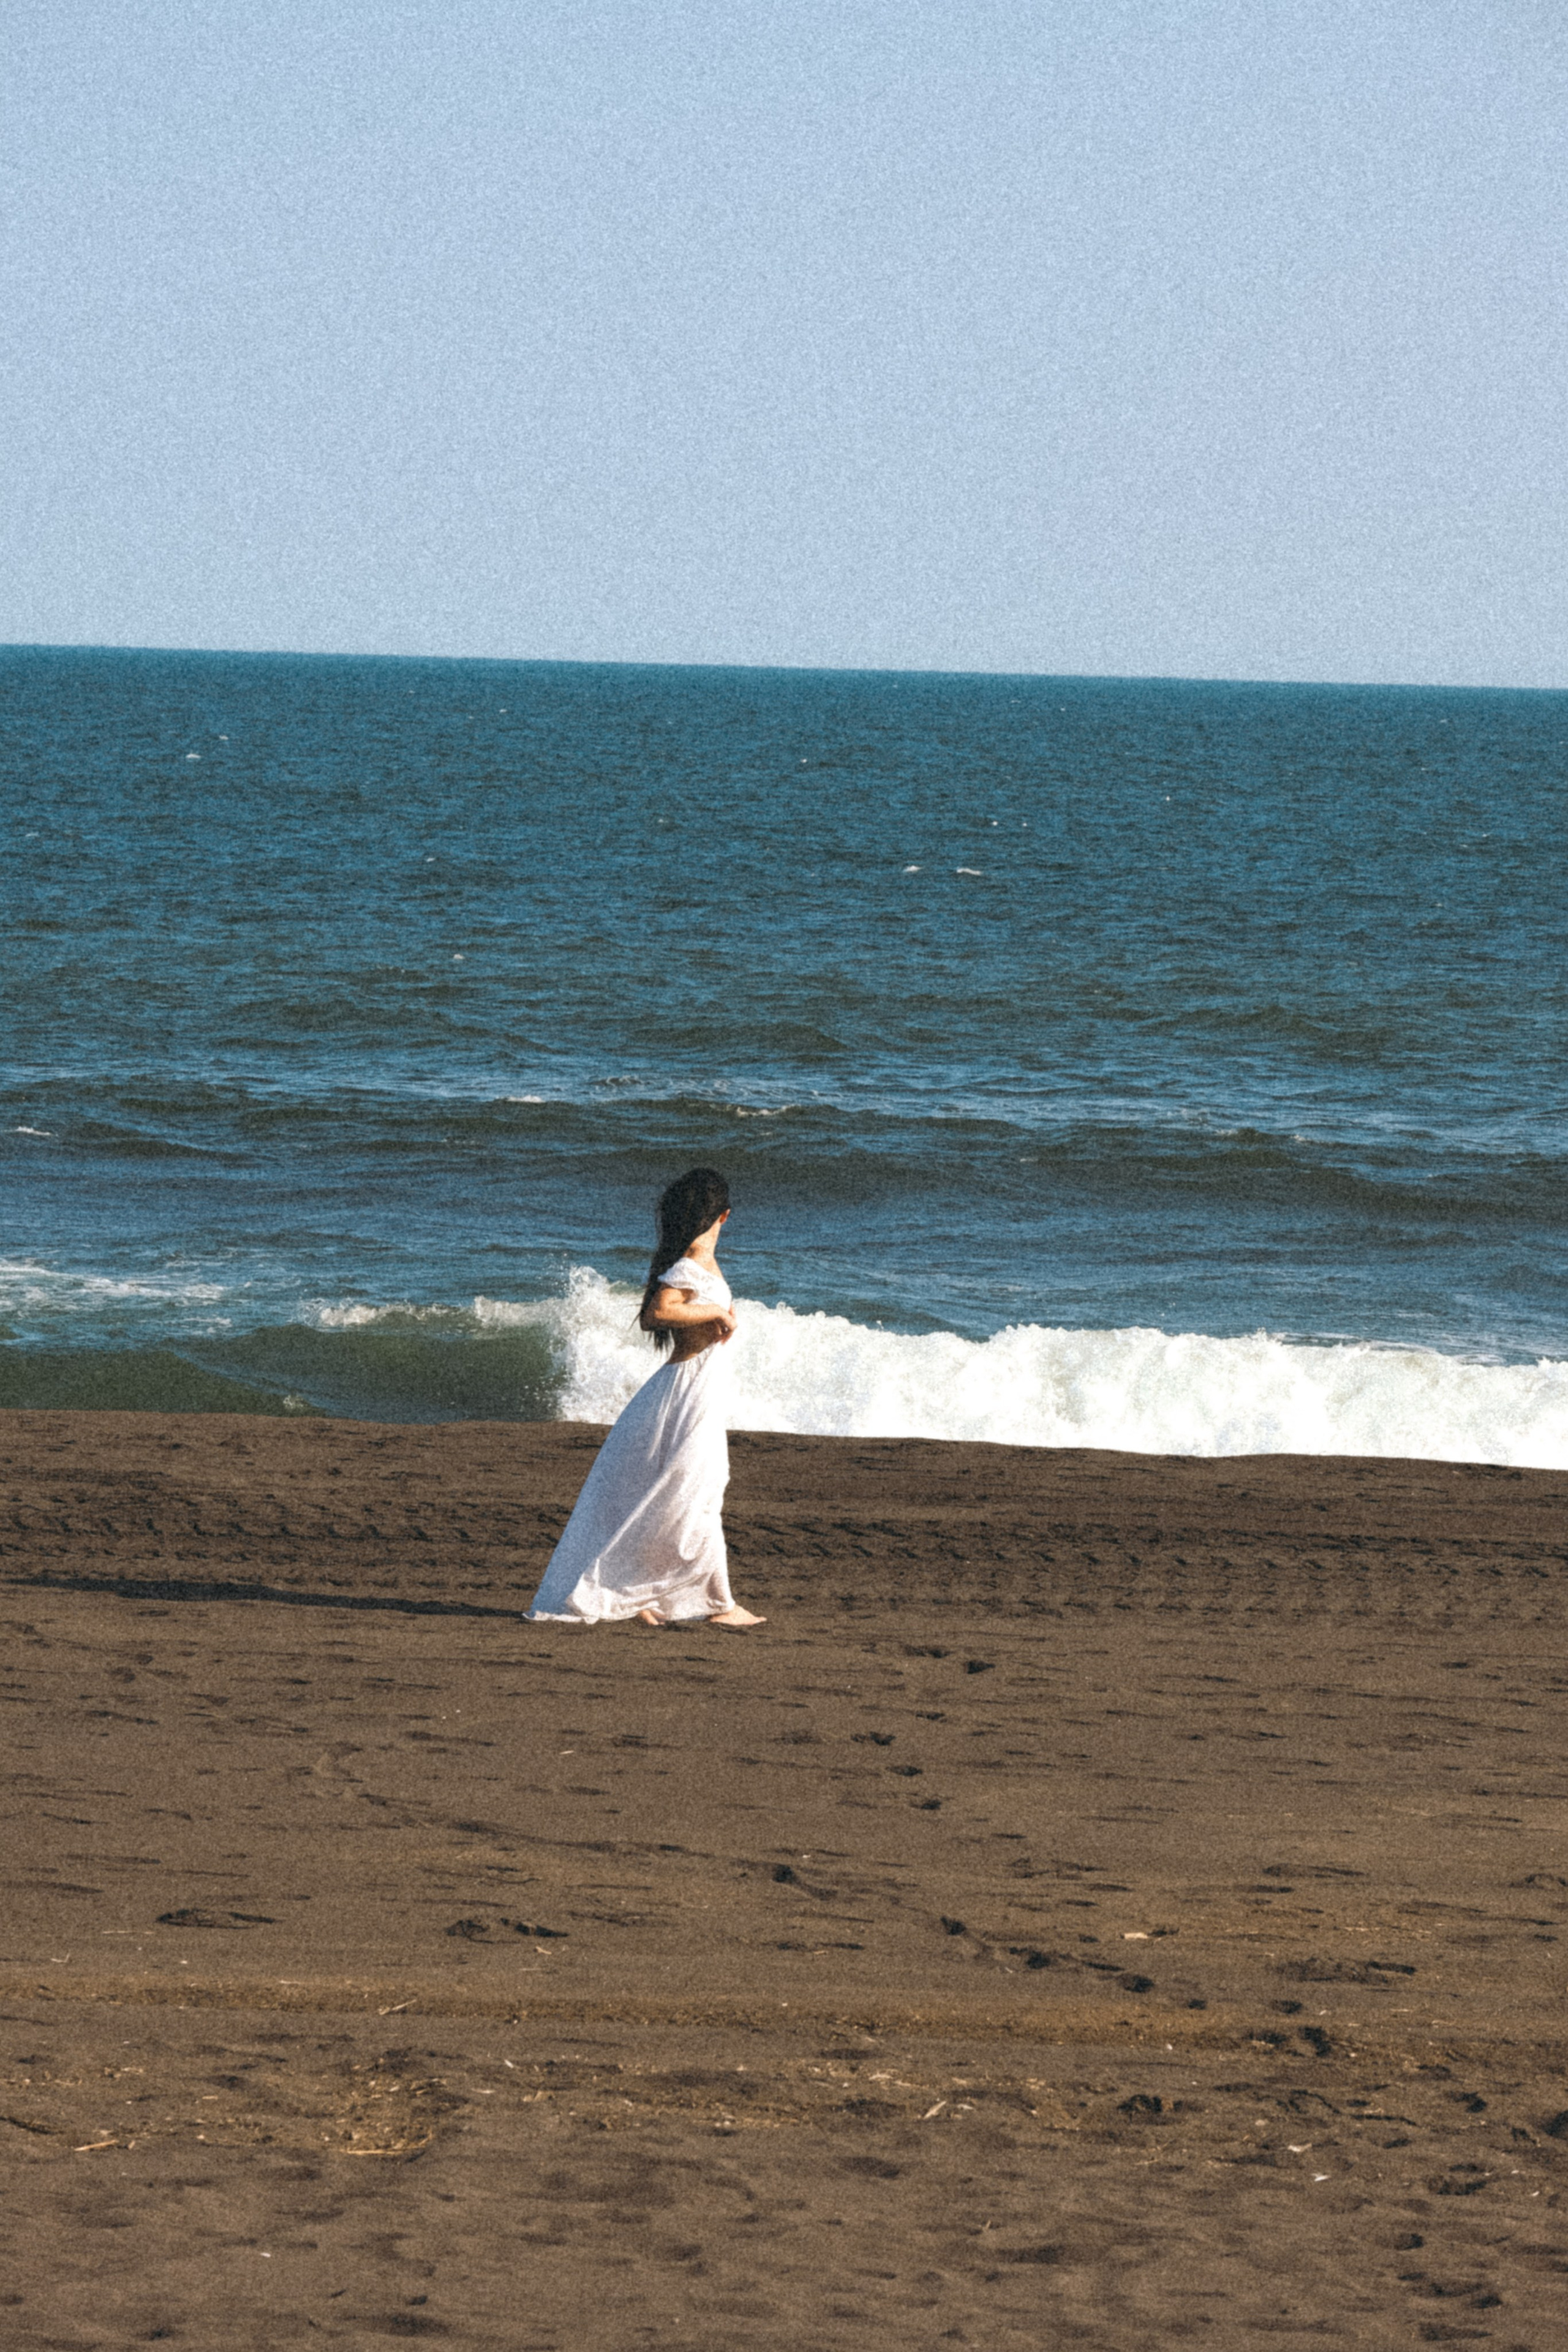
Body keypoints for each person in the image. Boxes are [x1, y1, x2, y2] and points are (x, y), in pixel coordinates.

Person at [525, 1167, 766, 1628]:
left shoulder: (700, 1264)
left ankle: (635, 1596)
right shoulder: (689, 1265)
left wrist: (714, 1314)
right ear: (724, 1216)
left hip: (696, 1389)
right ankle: (719, 1605)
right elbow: (658, 1313)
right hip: (688, 1390)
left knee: (685, 1491)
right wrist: (715, 1313)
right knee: (696, 1494)